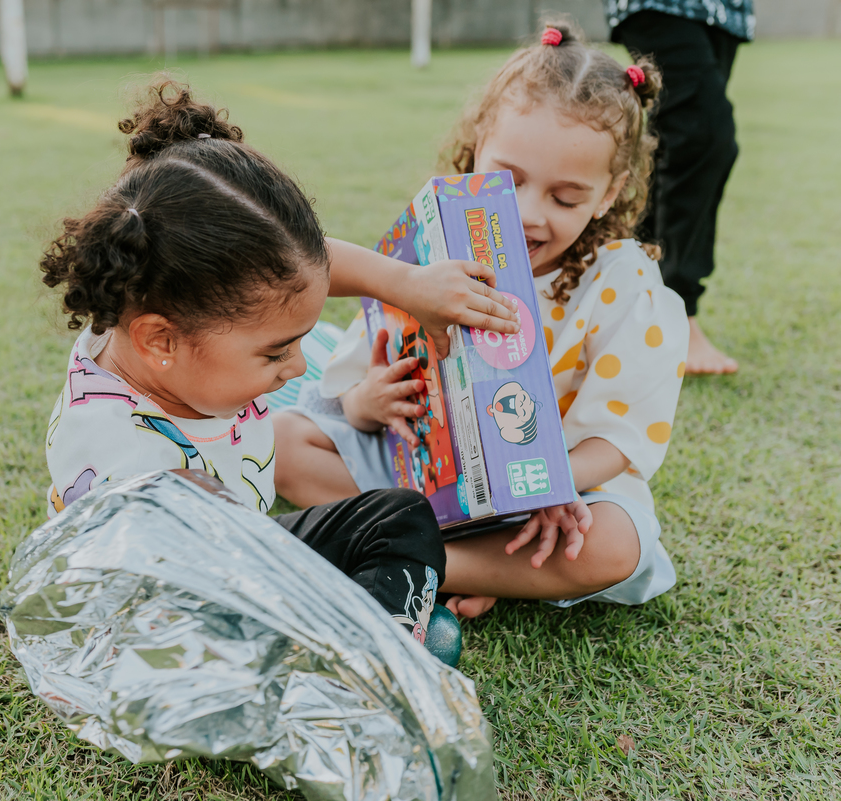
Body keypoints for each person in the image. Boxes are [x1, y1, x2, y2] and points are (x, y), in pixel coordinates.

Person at [40, 79, 520, 664]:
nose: (298, 365)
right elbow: (153, 625)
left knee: (398, 517)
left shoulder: (160, 319)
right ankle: (364, 663)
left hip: (245, 555)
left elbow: (301, 265)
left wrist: (407, 284)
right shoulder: (125, 466)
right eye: (274, 353)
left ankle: (377, 649)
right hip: (163, 620)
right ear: (161, 340)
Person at [274, 23, 690, 619]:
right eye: (509, 179)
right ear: (476, 153)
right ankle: (457, 556)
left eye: (566, 198)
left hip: (554, 497)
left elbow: (618, 438)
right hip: (421, 480)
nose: (527, 213)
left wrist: (552, 486)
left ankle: (432, 559)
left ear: (608, 194)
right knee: (284, 442)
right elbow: (353, 401)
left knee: (616, 543)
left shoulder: (623, 285)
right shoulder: (433, 252)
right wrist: (370, 401)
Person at [606, 1, 754, 374]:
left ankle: (634, 300)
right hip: (664, 5)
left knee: (671, 144)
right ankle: (674, 313)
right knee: (703, 135)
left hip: (722, 10)